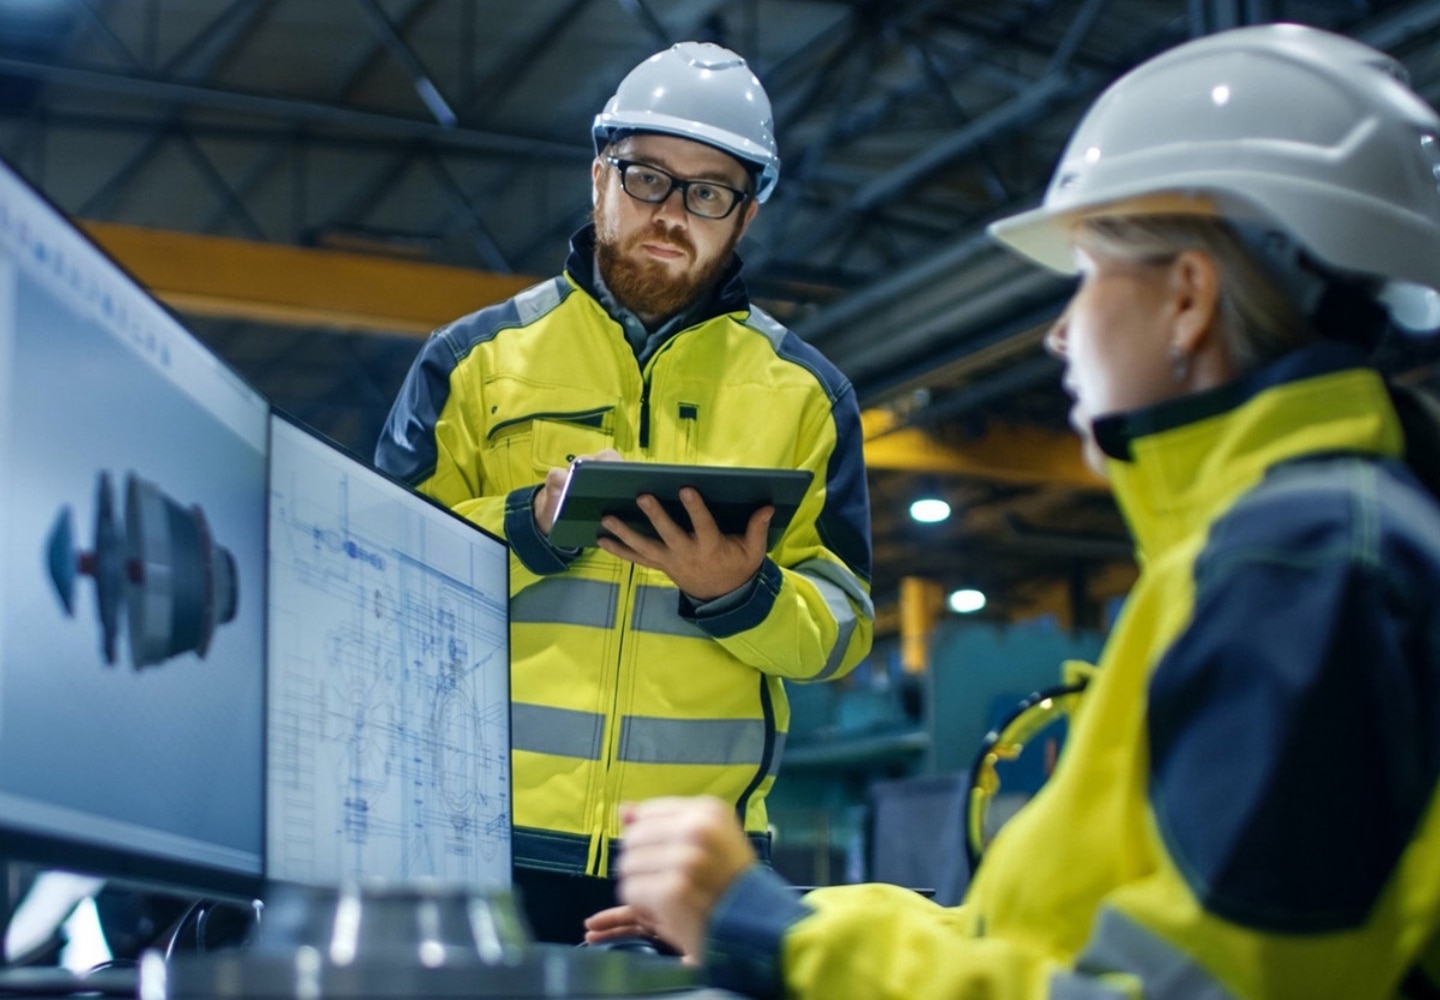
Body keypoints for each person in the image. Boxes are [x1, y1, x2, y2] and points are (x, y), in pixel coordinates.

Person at [600, 22, 1440, 998]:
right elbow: (1036, 930)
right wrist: (766, 912)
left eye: (1086, 278)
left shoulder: (1304, 569)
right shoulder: (1274, 550)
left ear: (1189, 299)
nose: (1056, 333)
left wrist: (776, 939)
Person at [373, 41, 874, 944]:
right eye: (647, 177)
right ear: (598, 174)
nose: (672, 214)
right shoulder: (474, 363)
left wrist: (741, 593)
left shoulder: (808, 396)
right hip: (473, 841)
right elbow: (380, 575)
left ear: (746, 213)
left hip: (688, 865)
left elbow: (843, 627)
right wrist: (530, 526)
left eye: (709, 192)